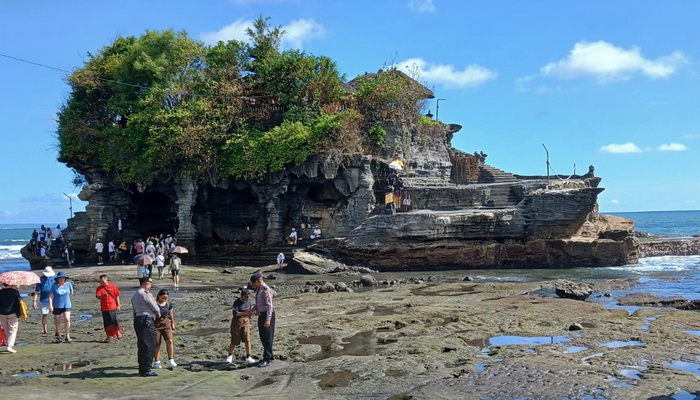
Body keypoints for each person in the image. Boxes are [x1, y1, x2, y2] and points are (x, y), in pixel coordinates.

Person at [131, 277, 160, 377]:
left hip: (138, 319)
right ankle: (146, 369)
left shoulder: (135, 294)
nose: (150, 286)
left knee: (142, 345)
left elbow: (134, 309)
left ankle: (142, 368)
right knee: (150, 345)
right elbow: (155, 307)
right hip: (146, 320)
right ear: (145, 284)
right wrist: (157, 312)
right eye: (150, 284)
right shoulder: (145, 294)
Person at [250, 272, 275, 367]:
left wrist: (268, 319)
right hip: (261, 314)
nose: (253, 285)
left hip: (267, 315)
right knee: (263, 336)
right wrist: (252, 310)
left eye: (253, 283)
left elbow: (269, 306)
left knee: (267, 337)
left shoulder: (265, 289)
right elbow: (259, 304)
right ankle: (270, 355)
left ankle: (267, 358)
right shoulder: (259, 289)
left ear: (257, 281)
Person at [226, 288, 256, 365]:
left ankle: (248, 356)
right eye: (245, 297)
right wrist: (244, 313)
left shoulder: (248, 302)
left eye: (248, 296)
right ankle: (229, 355)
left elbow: (249, 311)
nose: (246, 298)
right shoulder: (236, 302)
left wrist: (249, 314)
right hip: (237, 322)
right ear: (242, 296)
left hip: (246, 322)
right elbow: (235, 313)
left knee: (247, 339)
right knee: (234, 339)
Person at [153, 289, 177, 369]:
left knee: (169, 341)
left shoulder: (168, 304)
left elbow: (170, 313)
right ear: (159, 296)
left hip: (166, 323)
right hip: (156, 324)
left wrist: (173, 323)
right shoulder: (154, 304)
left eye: (166, 298)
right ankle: (157, 361)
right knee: (157, 343)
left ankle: (171, 359)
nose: (164, 299)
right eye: (162, 298)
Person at [48, 271, 74, 343]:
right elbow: (50, 296)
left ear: (65, 279)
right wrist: (50, 305)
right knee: (58, 321)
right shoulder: (54, 286)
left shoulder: (68, 284)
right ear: (57, 279)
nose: (61, 279)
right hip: (57, 306)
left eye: (63, 278)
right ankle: (59, 336)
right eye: (60, 278)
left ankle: (67, 335)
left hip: (66, 305)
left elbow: (71, 292)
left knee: (67, 319)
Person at [95, 274, 122, 342]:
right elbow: (98, 297)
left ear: (107, 280)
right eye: (100, 281)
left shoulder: (113, 286)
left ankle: (118, 333)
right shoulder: (99, 288)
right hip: (104, 308)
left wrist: (118, 305)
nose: (102, 283)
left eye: (103, 281)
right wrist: (102, 296)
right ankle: (109, 336)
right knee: (107, 323)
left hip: (113, 307)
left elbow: (117, 295)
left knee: (114, 320)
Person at [32, 266, 56, 337]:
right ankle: (45, 330)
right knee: (44, 315)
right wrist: (34, 301)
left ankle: (57, 330)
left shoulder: (54, 278)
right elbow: (36, 291)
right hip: (43, 300)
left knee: (56, 315)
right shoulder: (40, 279)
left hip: (54, 299)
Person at [0, 282, 21, 353]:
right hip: (12, 313)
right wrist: (17, 290)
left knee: (6, 329)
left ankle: (8, 344)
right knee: (12, 329)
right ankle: (9, 346)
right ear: (11, 284)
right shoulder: (15, 292)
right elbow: (19, 301)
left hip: (2, 313)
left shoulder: (1, 292)